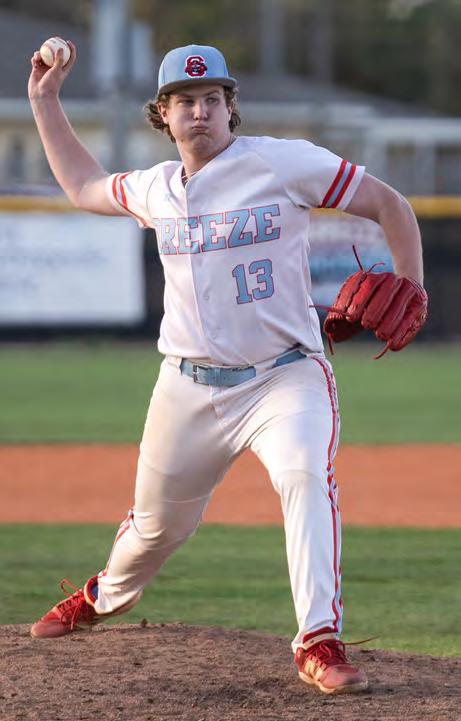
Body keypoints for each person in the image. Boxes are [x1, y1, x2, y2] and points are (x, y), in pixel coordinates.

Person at [28, 41, 425, 695]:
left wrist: (412, 284)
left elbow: (390, 204)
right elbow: (83, 186)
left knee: (304, 474)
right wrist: (44, 100)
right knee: (155, 528)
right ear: (163, 114)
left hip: (284, 377)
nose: (200, 111)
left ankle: (318, 638)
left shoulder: (282, 163)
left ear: (229, 107)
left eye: (212, 98)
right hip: (186, 386)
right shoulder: (155, 188)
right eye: (185, 100)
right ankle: (104, 595)